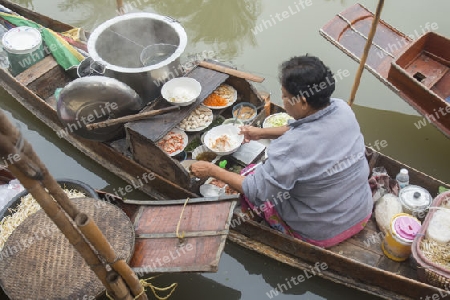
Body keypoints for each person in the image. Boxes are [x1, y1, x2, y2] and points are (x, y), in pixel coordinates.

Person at [190, 55, 373, 248]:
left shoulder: (292, 147)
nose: (283, 100)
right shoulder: (342, 109)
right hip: (361, 210)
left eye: (285, 96)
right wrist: (261, 133)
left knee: (251, 179)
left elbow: (256, 190)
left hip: (322, 231)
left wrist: (212, 170)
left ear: (302, 102)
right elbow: (305, 128)